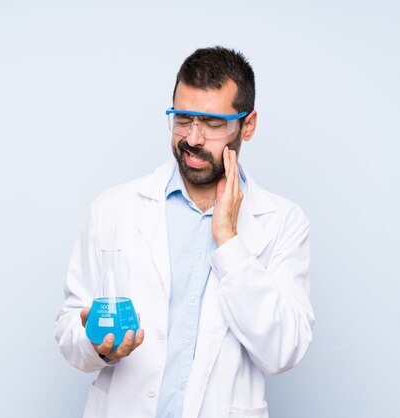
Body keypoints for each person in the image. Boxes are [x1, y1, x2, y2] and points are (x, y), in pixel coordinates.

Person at [55, 46, 314, 418]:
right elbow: (69, 328)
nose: (192, 138)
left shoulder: (284, 222)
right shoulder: (113, 208)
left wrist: (229, 242)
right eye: (182, 119)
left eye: (211, 124)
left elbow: (283, 352)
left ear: (248, 125)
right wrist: (97, 346)